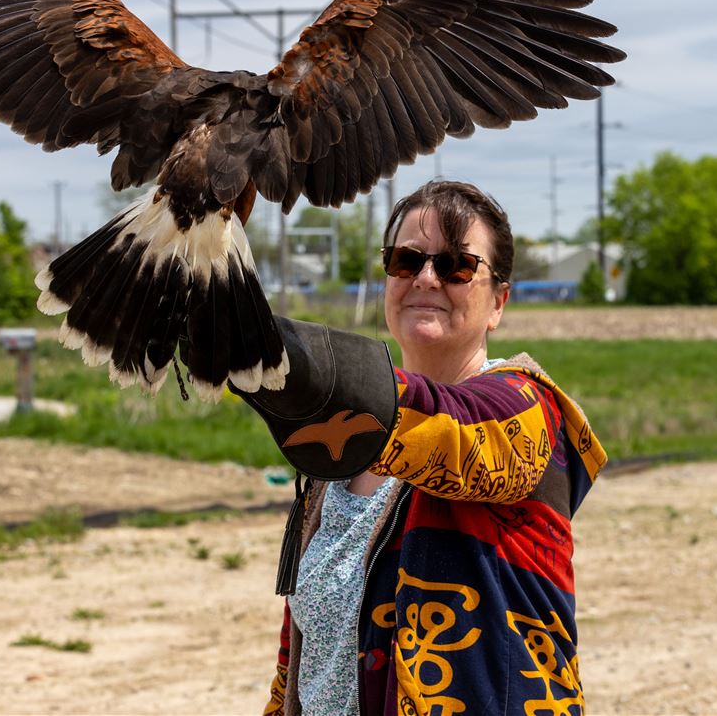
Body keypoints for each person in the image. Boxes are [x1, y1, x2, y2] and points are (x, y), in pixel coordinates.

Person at [237, 180, 607, 716]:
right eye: (406, 260)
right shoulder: (342, 455)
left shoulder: (524, 413)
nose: (426, 279)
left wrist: (264, 346)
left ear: (498, 302)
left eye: (456, 265)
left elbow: (449, 427)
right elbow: (303, 657)